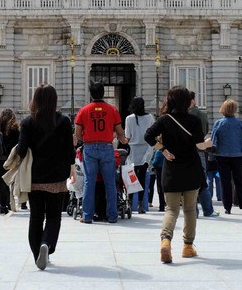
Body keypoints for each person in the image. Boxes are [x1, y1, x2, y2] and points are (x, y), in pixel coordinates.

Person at [145, 86, 208, 264]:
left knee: (171, 210)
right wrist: (208, 143)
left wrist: (163, 150)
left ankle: (166, 240)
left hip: (172, 169)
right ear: (188, 101)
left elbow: (148, 136)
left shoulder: (164, 120)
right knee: (189, 210)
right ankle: (188, 247)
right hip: (191, 170)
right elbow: (199, 145)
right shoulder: (194, 120)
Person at [17, 85, 77, 270]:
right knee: (53, 216)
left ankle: (37, 254)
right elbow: (69, 148)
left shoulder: (28, 122)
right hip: (57, 176)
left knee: (35, 216)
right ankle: (47, 244)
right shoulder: (64, 121)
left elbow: (21, 150)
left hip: (35, 176)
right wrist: (72, 168)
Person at [75, 81, 128, 224]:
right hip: (106, 147)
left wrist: (88, 138)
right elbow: (119, 131)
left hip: (90, 147)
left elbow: (78, 133)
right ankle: (112, 216)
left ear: (90, 94)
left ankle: (87, 216)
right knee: (110, 183)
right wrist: (119, 138)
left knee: (89, 182)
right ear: (103, 93)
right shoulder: (112, 110)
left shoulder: (83, 111)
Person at [210, 99, 242, 215]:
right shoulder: (240, 123)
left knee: (225, 182)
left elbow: (213, 140)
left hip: (222, 156)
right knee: (239, 181)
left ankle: (227, 207)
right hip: (237, 155)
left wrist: (212, 156)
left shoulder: (218, 123)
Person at [124, 97, 155, 215]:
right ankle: (141, 204)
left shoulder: (129, 118)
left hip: (133, 150)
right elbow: (152, 133)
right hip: (146, 149)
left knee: (132, 177)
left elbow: (127, 135)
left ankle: (130, 202)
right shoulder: (150, 117)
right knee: (142, 177)